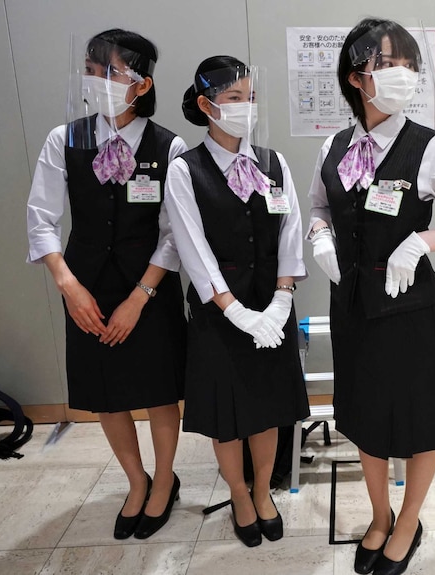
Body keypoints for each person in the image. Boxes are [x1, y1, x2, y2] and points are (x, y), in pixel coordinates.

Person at [306, 18, 435, 575]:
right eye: (387, 63)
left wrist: (423, 241)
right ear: (356, 77)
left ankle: (410, 520)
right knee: (365, 415)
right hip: (352, 307)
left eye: (409, 64)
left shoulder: (430, 147)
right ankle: (379, 513)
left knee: (418, 420)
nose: (402, 74)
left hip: (409, 309)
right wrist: (320, 234)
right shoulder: (336, 145)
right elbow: (320, 206)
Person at [26, 29, 186, 540]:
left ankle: (164, 481)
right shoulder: (65, 139)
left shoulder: (170, 146)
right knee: (108, 394)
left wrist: (141, 297)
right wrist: (68, 286)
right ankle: (135, 481)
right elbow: (41, 219)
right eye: (92, 71)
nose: (96, 80)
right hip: (87, 288)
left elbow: (174, 232)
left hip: (150, 290)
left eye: (110, 71)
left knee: (160, 391)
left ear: (141, 84)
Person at [164, 55, 310, 548]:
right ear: (206, 105)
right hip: (220, 314)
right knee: (227, 416)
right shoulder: (186, 169)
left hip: (272, 308)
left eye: (250, 98)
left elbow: (291, 228)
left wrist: (282, 300)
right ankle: (240, 495)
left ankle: (264, 490)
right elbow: (191, 246)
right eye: (233, 99)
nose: (245, 107)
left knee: (267, 407)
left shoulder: (272, 162)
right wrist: (234, 310)